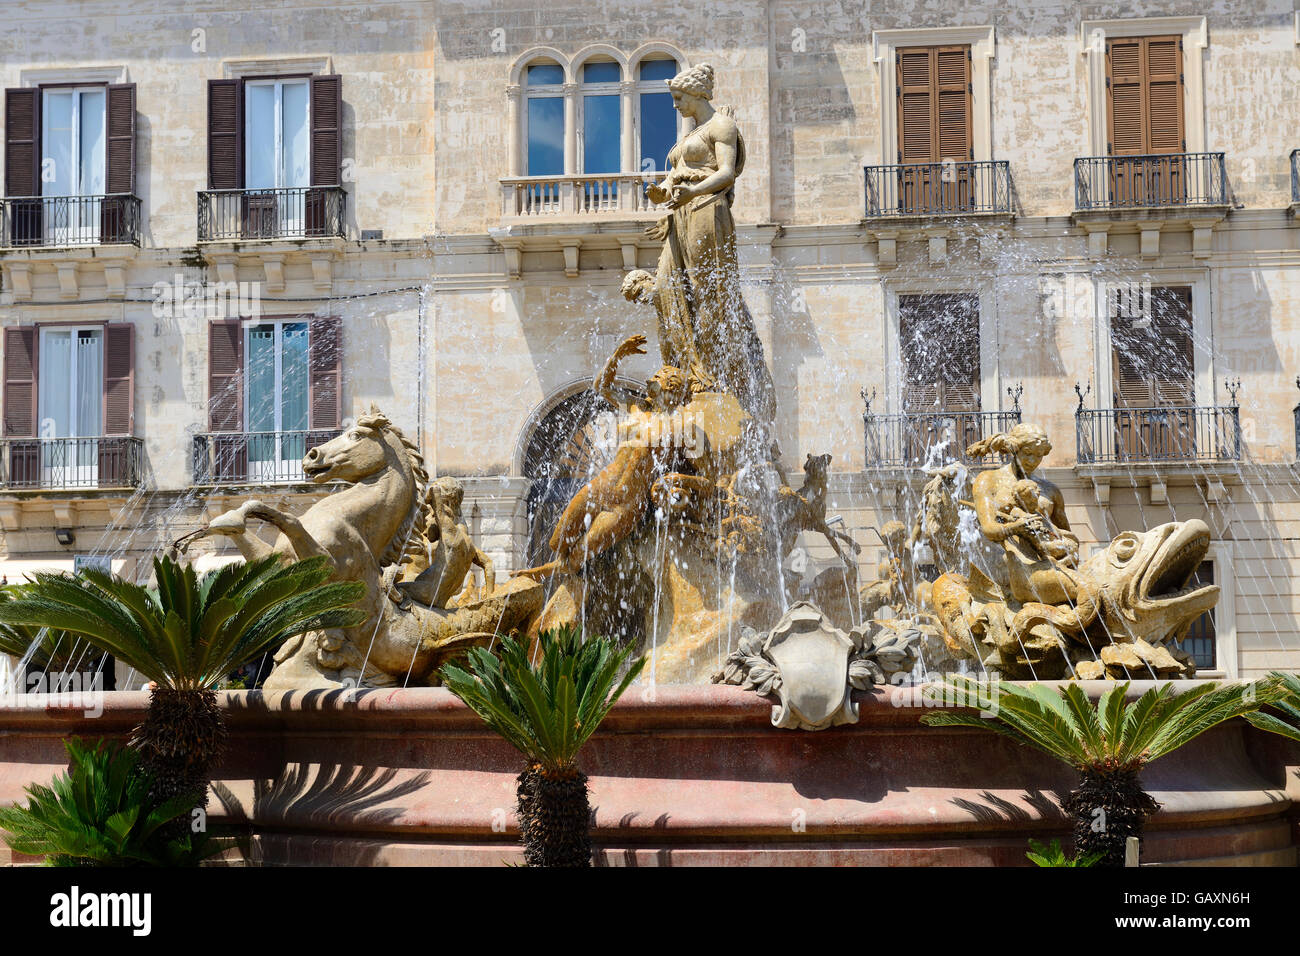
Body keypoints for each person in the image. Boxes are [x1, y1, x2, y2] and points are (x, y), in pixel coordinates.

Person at [641, 62, 776, 427]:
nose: (674, 105)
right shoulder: (690, 135)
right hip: (679, 215)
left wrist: (692, 193)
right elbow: (672, 180)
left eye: (678, 97)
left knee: (707, 289)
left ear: (697, 93)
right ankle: (686, 367)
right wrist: (661, 195)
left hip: (705, 210)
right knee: (669, 288)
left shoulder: (721, 126)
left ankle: (715, 374)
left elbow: (727, 173)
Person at [514, 334, 689, 580]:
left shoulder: (678, 427)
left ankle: (544, 572)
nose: (652, 384)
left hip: (628, 504)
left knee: (580, 553)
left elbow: (687, 466)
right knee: (558, 540)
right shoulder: (636, 408)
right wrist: (618, 355)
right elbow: (602, 387)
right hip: (601, 485)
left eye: (658, 381)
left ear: (672, 389)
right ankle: (556, 568)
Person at [967, 423, 1083, 607]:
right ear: (1014, 450)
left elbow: (1064, 532)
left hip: (1046, 559)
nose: (1033, 460)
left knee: (1087, 586)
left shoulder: (1050, 490)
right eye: (1028, 453)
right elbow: (989, 529)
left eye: (1039, 455)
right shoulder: (988, 480)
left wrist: (1069, 550)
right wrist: (1017, 528)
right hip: (1011, 563)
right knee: (1083, 587)